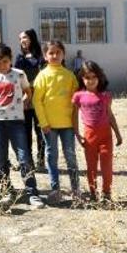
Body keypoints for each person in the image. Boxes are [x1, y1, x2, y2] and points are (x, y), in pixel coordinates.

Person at [0, 44, 45, 208]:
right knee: (1, 159)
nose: (2, 66)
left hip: (16, 121)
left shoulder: (19, 74)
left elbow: (27, 90)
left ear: (10, 59)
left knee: (24, 157)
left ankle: (32, 192)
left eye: (5, 61)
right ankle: (7, 190)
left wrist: (26, 98)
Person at [33, 40, 80, 204]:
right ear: (45, 56)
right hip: (49, 126)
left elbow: (76, 101)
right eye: (50, 53)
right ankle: (55, 189)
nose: (54, 55)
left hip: (67, 124)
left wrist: (76, 124)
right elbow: (37, 101)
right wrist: (43, 122)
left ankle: (76, 190)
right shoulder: (42, 76)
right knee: (52, 157)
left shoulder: (70, 76)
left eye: (57, 52)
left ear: (63, 55)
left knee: (71, 156)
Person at [73, 61, 123, 203]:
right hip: (89, 137)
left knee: (107, 166)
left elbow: (110, 115)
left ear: (99, 77)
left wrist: (118, 134)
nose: (91, 80)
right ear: (82, 78)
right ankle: (93, 193)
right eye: (87, 77)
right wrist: (78, 135)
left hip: (106, 135)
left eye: (94, 76)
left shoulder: (105, 95)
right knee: (91, 166)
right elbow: (74, 116)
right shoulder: (79, 96)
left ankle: (107, 193)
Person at [15, 29, 46, 171]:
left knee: (40, 131)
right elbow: (16, 79)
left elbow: (45, 77)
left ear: (32, 38)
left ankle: (41, 160)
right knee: (26, 131)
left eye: (25, 37)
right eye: (20, 38)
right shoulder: (19, 59)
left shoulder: (41, 57)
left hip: (39, 99)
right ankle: (29, 161)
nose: (22, 40)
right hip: (25, 100)